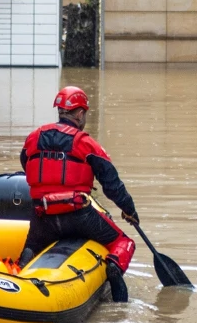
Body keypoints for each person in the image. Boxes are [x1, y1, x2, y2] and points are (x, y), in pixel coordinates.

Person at [19, 86, 137, 301]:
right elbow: (112, 185)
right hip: (79, 216)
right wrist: (129, 210)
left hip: (42, 216)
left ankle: (24, 263)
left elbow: (26, 163)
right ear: (80, 113)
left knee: (32, 246)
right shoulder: (85, 143)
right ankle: (113, 269)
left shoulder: (33, 138)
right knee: (125, 242)